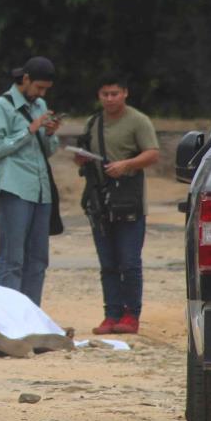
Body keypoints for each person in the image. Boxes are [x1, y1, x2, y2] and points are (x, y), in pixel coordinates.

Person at [74, 74, 159, 335]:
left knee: (129, 262)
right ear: (99, 96)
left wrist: (126, 165)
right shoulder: (93, 122)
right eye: (105, 94)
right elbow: (84, 154)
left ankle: (131, 315)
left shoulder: (138, 121)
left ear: (125, 93)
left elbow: (152, 154)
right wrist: (81, 159)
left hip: (129, 202)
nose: (109, 99)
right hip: (100, 203)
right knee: (107, 263)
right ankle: (111, 314)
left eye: (114, 93)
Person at [0, 56, 63, 306]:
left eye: (45, 90)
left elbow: (46, 150)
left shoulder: (40, 105)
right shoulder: (1, 106)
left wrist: (49, 134)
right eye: (38, 87)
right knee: (12, 258)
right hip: (15, 188)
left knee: (38, 260)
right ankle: (8, 319)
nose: (40, 94)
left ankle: (31, 317)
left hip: (41, 190)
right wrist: (29, 130)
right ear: (25, 79)